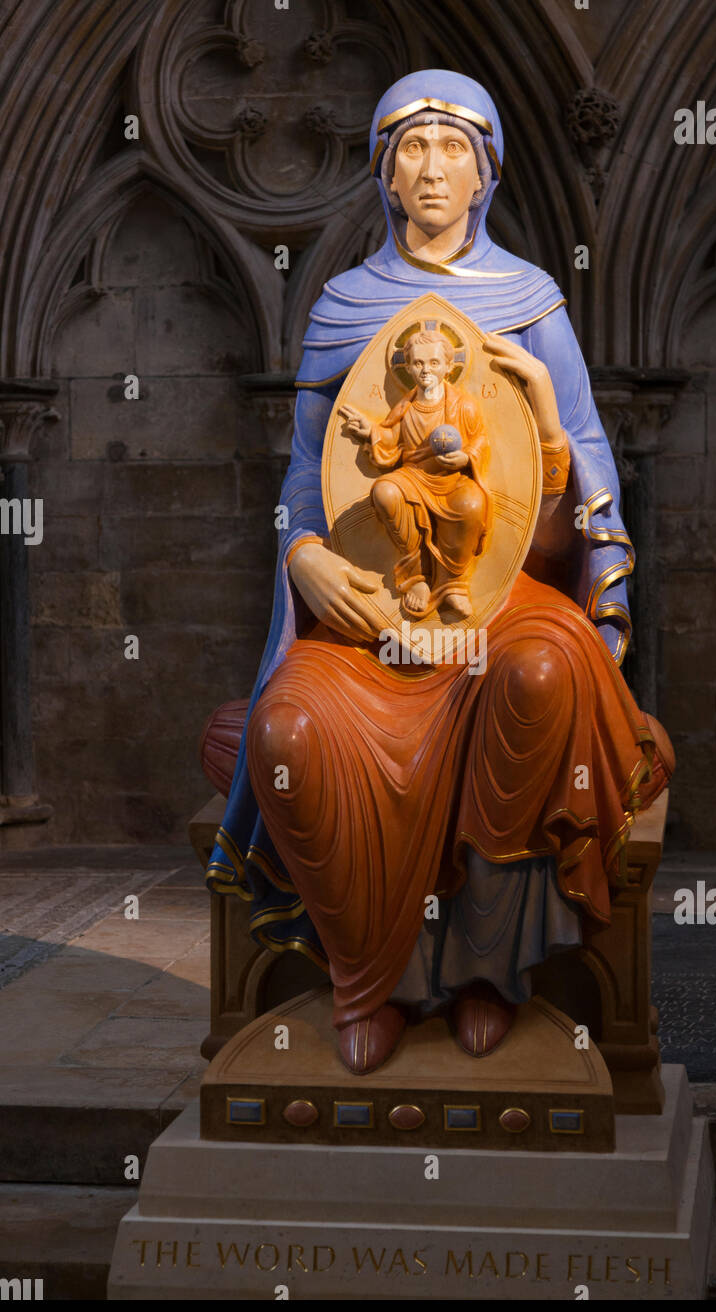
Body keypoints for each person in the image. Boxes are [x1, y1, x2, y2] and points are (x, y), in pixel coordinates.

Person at [204, 69, 674, 1076]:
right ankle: (365, 977)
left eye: (451, 147)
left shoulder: (531, 303)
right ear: (382, 170)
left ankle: (483, 970)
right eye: (409, 146)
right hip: (372, 610)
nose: (429, 167)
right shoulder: (341, 307)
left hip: (502, 598)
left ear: (483, 172)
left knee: (538, 677)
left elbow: (574, 503)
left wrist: (545, 420)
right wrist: (304, 555)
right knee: (289, 730)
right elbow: (304, 475)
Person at [339, 327, 491, 622]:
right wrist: (371, 430)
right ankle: (416, 574)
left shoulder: (464, 406)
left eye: (434, 363)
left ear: (448, 367)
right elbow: (390, 439)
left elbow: (480, 442)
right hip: (412, 477)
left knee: (472, 505)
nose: (425, 370)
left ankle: (452, 584)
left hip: (452, 480)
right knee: (385, 491)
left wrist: (465, 457)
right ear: (407, 367)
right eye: (418, 363)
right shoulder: (406, 407)